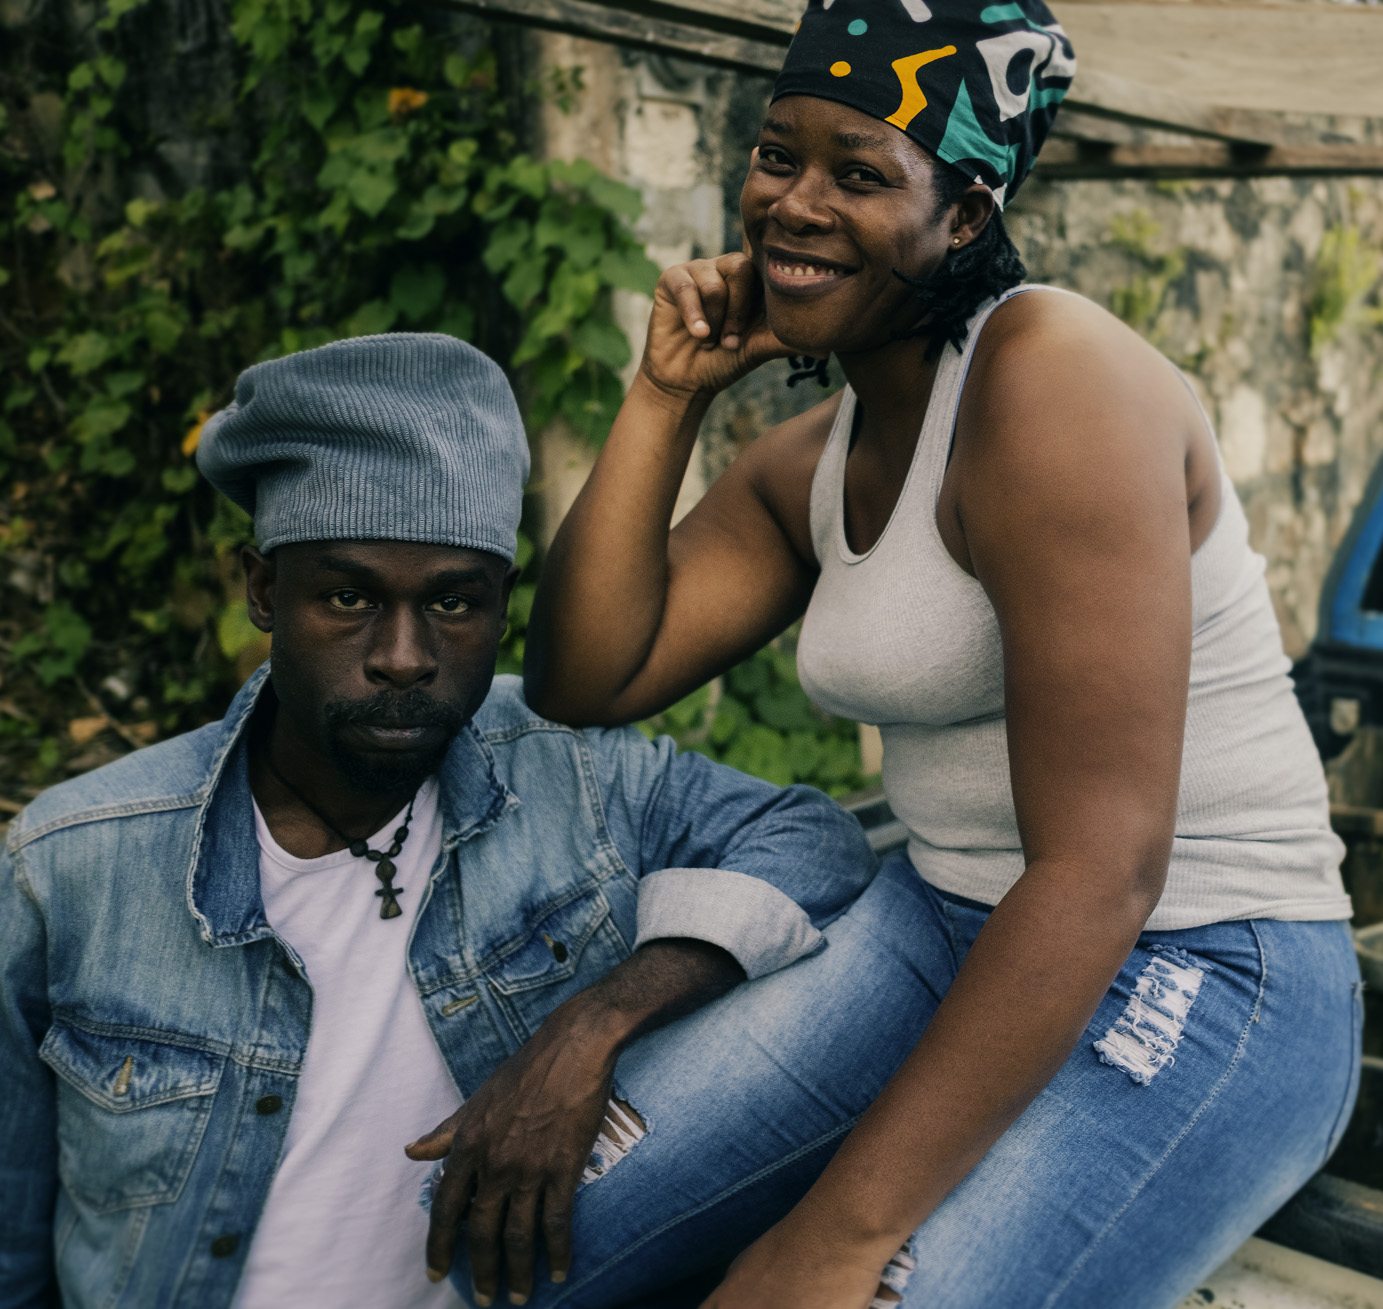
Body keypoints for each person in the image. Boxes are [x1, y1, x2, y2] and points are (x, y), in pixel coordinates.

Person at [424, 3, 1365, 1307]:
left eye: (859, 173)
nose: (793, 205)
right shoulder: (818, 456)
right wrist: (668, 392)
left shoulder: (1053, 381)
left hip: (1205, 965)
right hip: (940, 927)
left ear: (966, 214)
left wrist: (834, 1235)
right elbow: (592, 676)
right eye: (778, 157)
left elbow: (1103, 873)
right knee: (498, 1235)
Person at [0, 333, 877, 1309]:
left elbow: (816, 845)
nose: (405, 656)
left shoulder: (567, 765)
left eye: (455, 602)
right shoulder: (74, 863)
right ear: (261, 588)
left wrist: (591, 1027)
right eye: (348, 597)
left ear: (505, 603)